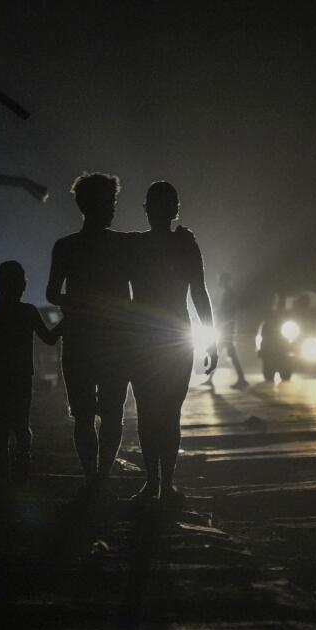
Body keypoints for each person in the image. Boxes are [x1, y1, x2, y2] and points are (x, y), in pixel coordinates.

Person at [128, 181, 217, 504]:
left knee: (150, 412)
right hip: (173, 337)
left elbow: (199, 292)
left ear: (148, 210)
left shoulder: (137, 246)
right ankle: (163, 484)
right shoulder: (184, 245)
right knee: (167, 413)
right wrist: (210, 339)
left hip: (146, 338)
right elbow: (199, 294)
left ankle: (155, 483)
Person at [46, 173, 134, 495]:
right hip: (114, 341)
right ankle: (101, 475)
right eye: (109, 202)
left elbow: (53, 293)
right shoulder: (122, 245)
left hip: (80, 339)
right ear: (93, 205)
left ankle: (92, 477)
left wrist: (79, 303)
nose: (112, 208)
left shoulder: (66, 246)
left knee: (84, 414)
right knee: (111, 412)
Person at [0, 261, 59, 485]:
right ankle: (22, 473)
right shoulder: (28, 312)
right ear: (22, 286)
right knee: (21, 426)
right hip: (20, 377)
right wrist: (69, 320)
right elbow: (50, 339)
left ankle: (2, 476)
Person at [202, 272, 248, 389]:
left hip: (226, 328)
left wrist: (218, 314)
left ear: (224, 281)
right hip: (227, 328)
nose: (219, 282)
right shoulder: (229, 293)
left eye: (221, 280)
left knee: (220, 354)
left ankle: (240, 379)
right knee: (228, 354)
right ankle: (240, 379)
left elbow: (227, 311)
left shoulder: (229, 294)